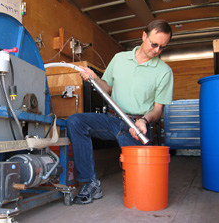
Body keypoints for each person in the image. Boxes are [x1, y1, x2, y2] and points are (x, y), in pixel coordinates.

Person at [66, 19, 173, 205]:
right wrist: (94, 78)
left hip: (138, 127)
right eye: (154, 44)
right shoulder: (119, 59)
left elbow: (157, 110)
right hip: (112, 121)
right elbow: (106, 88)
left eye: (162, 47)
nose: (156, 50)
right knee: (76, 121)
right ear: (144, 35)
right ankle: (90, 183)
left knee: (144, 191)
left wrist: (144, 121)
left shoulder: (164, 72)